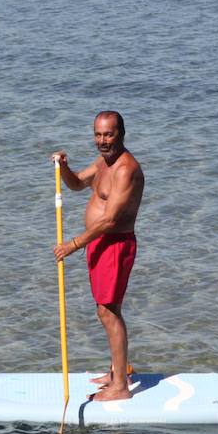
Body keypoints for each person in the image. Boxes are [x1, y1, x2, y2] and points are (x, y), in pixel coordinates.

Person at [52, 110, 145, 402]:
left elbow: (110, 220)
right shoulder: (104, 162)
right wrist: (64, 167)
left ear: (121, 134)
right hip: (99, 245)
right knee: (108, 309)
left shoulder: (125, 169)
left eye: (109, 134)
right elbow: (78, 183)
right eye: (98, 134)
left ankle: (120, 388)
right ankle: (118, 373)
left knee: (107, 312)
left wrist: (73, 244)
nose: (102, 141)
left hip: (114, 245)